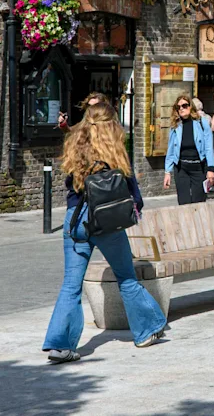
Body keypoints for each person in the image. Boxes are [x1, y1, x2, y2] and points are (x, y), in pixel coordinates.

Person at [43, 103, 167, 363]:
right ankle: (146, 330)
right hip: (106, 220)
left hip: (75, 219)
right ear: (112, 124)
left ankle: (59, 345)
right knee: (126, 277)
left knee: (71, 284)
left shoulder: (74, 144)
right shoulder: (115, 150)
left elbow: (69, 182)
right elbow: (131, 188)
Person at [163, 96, 214, 204]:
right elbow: (171, 150)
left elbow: (208, 147)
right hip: (181, 168)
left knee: (199, 202)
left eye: (184, 105)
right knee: (183, 202)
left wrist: (211, 169)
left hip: (198, 168)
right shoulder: (176, 125)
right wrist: (167, 172)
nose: (181, 108)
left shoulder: (201, 122)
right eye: (178, 107)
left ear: (190, 106)